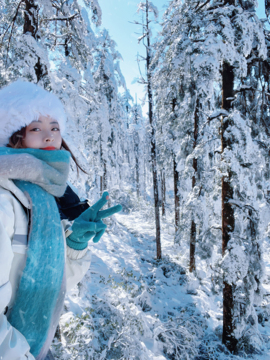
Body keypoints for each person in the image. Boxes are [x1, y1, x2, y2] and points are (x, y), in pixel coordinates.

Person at [0, 80, 122, 360]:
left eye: (54, 127)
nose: (49, 137)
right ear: (12, 136)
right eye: (36, 128)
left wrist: (74, 245)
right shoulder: (5, 200)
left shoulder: (39, 197)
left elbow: (49, 282)